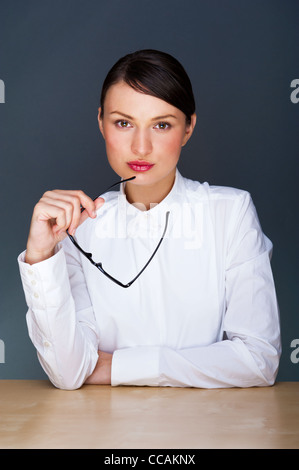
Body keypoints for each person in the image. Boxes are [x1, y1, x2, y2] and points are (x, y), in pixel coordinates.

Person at [18, 49, 281, 390]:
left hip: (208, 430)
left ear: (188, 128)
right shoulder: (77, 228)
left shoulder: (230, 212)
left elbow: (258, 360)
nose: (140, 147)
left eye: (161, 125)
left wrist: (119, 367)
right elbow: (69, 372)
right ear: (101, 123)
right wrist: (40, 257)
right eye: (123, 123)